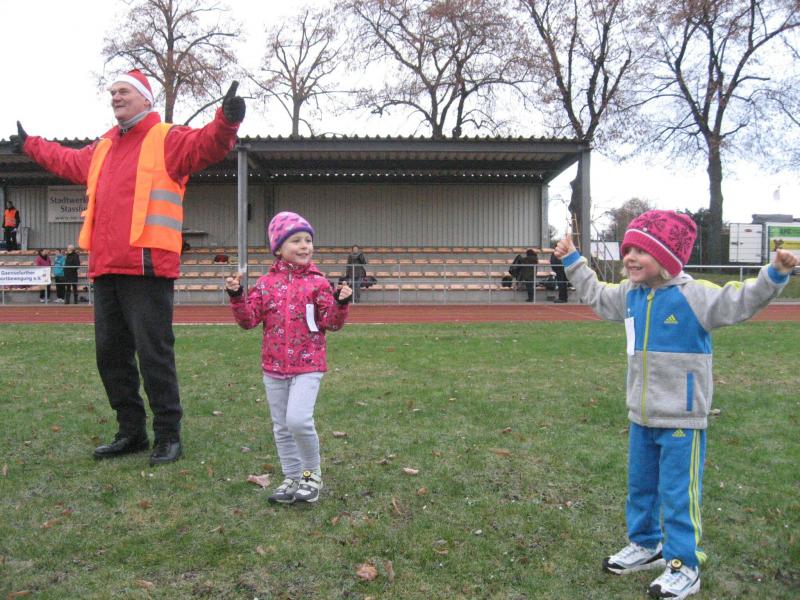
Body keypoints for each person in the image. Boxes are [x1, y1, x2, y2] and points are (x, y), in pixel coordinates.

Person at [553, 210, 799, 600]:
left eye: (641, 251)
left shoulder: (695, 295)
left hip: (682, 420)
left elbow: (739, 301)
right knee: (640, 488)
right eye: (628, 249)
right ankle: (646, 544)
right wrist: (572, 260)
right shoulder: (631, 295)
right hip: (642, 416)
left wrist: (774, 275)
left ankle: (685, 566)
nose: (629, 257)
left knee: (678, 495)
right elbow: (597, 295)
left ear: (666, 257)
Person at [12, 69, 245, 465]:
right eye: (112, 92)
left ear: (145, 99)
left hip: (147, 266)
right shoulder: (103, 147)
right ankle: (131, 431)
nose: (115, 97)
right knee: (110, 357)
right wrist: (31, 145)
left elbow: (207, 145)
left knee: (154, 355)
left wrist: (226, 121)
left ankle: (168, 434)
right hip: (105, 268)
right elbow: (67, 160)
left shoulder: (167, 138)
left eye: (123, 91)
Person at [225, 211, 352, 504]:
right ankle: (292, 476)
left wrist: (341, 303)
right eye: (296, 240)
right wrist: (237, 296)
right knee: (281, 426)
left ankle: (311, 474)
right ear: (278, 248)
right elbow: (248, 320)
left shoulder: (318, 283)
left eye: (308, 240)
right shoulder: (265, 284)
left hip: (308, 364)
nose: (305, 245)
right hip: (273, 366)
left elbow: (331, 323)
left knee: (298, 420)